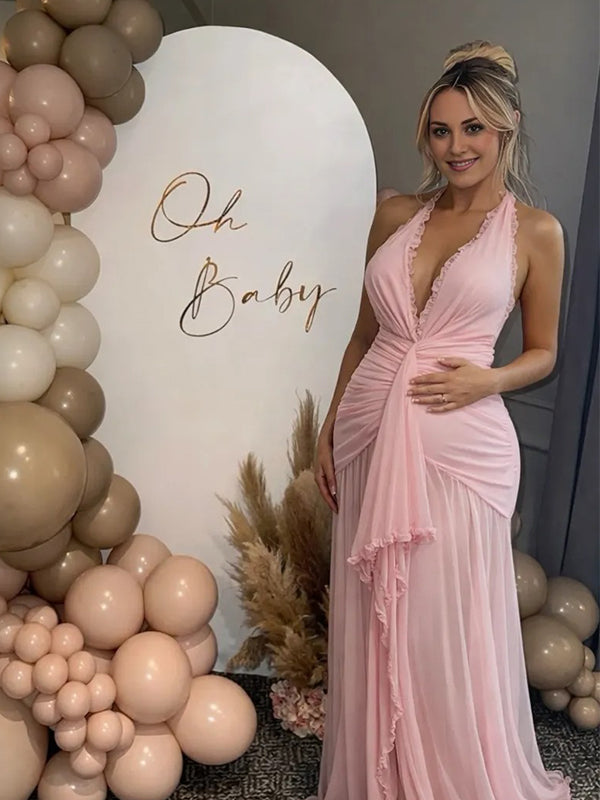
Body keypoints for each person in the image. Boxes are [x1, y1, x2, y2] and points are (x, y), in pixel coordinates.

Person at [311, 40, 572, 800]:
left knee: (443, 626)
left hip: (460, 449)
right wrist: (329, 428)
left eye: (473, 128)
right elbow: (363, 335)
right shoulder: (395, 214)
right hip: (367, 435)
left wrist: (490, 378)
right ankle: (381, 777)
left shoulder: (536, 232)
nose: (456, 146)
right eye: (441, 130)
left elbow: (545, 351)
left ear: (506, 129)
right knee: (374, 619)